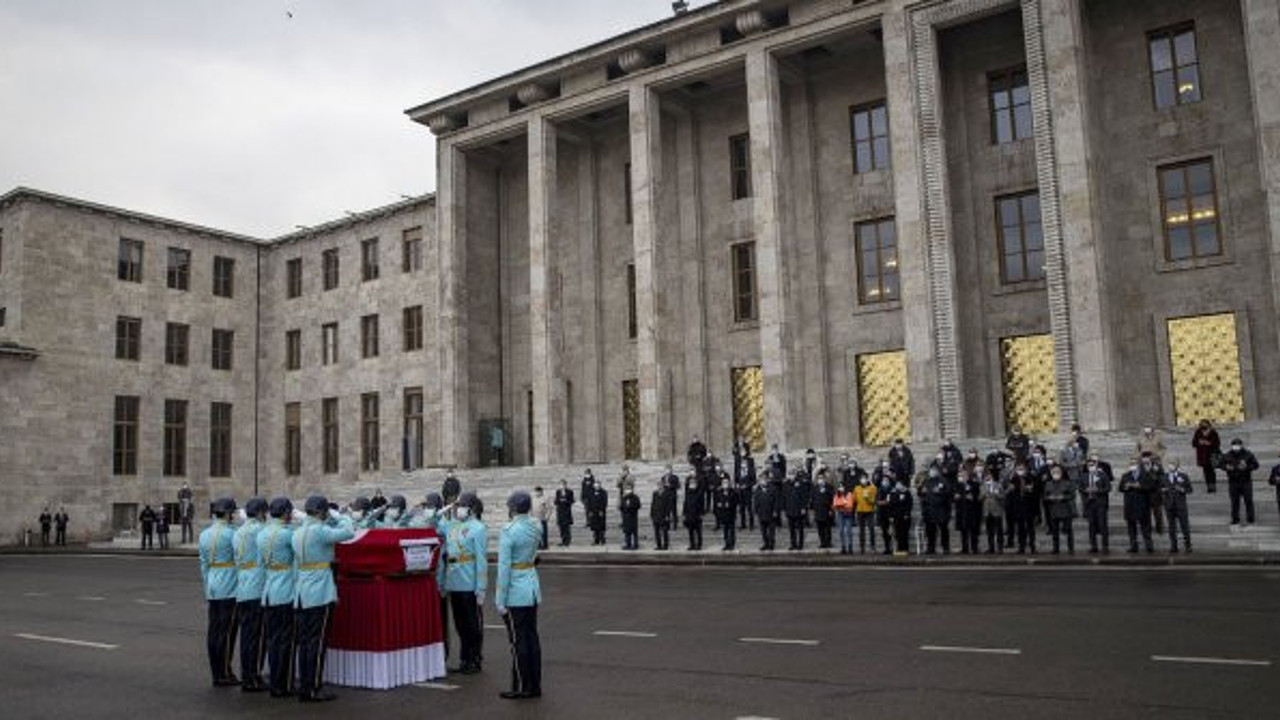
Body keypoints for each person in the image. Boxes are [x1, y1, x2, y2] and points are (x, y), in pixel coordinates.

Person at [293, 495, 355, 702]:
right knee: (317, 643)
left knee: (305, 642)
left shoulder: (298, 532)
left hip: (302, 591)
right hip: (319, 591)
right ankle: (314, 688)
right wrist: (339, 515)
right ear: (322, 511)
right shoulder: (319, 530)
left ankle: (305, 686)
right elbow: (349, 531)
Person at [495, 491, 542, 700]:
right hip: (532, 588)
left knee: (518, 641)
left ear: (513, 508)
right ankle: (535, 684)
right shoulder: (536, 526)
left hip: (516, 591)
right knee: (532, 638)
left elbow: (504, 567)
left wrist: (500, 599)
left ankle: (523, 686)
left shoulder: (509, 531)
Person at [439, 493, 487, 676]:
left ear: (471, 508)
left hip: (469, 581)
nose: (459, 509)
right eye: (458, 505)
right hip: (454, 581)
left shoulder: (478, 528)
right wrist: (445, 509)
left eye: (463, 505)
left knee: (472, 624)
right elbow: (431, 522)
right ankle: (464, 659)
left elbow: (481, 560)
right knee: (459, 624)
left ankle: (475, 658)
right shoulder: (451, 525)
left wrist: (481, 587)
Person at [257, 497, 298, 699]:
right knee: (286, 640)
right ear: (285, 513)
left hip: (269, 589)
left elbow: (260, 565)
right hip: (285, 590)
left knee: (273, 640)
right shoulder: (288, 533)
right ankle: (284, 684)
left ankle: (275, 682)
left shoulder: (262, 533)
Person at [199, 497, 240, 687]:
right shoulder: (232, 533)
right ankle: (224, 672)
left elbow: (204, 564)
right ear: (228, 513)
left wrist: (208, 585)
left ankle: (216, 671)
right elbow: (240, 559)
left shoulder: (204, 534)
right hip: (229, 585)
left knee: (214, 631)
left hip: (213, 585)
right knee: (227, 632)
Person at [234, 497, 269, 692]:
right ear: (261, 513)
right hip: (257, 585)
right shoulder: (261, 529)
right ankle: (254, 676)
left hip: (243, 585)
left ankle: (246, 674)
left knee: (247, 636)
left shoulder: (238, 532)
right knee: (258, 636)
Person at [1120, 462, 1157, 553]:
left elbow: (1151, 486)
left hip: (1143, 504)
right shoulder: (1125, 475)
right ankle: (1133, 546)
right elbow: (1120, 488)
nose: (1132, 466)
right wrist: (1126, 487)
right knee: (1131, 527)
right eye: (1131, 464)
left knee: (1145, 527)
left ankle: (1149, 545)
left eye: (1134, 464)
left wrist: (1140, 486)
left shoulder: (1145, 475)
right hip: (1130, 504)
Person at [1222, 438, 1259, 526]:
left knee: (1248, 500)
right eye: (1234, 445)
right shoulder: (1227, 455)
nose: (1236, 447)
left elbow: (1256, 465)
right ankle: (1235, 518)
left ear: (1241, 445)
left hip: (1246, 481)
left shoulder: (1248, 454)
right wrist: (1226, 467)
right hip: (1233, 481)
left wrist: (1247, 467)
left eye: (1238, 445)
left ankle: (1250, 518)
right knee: (1234, 501)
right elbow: (1220, 464)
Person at [1079, 455, 1113, 553]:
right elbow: (1080, 487)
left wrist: (1097, 490)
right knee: (1091, 525)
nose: (1091, 467)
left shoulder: (1103, 475)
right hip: (1089, 503)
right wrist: (1085, 490)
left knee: (1102, 524)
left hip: (1100, 503)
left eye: (1092, 465)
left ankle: (1105, 546)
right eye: (1089, 465)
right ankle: (1093, 546)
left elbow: (1108, 488)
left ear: (1096, 465)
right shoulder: (1084, 476)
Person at [917, 467, 953, 554]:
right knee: (930, 531)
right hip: (929, 510)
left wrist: (939, 492)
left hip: (941, 510)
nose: (932, 472)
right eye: (931, 471)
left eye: (934, 471)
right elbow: (920, 493)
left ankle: (945, 547)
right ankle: (931, 547)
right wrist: (920, 490)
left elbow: (948, 492)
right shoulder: (926, 481)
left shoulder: (943, 481)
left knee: (943, 530)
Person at [1043, 464, 1077, 554]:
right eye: (1054, 472)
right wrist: (1049, 498)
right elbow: (1045, 496)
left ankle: (1071, 548)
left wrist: (1063, 497)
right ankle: (1056, 548)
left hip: (1065, 509)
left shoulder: (1068, 483)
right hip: (1054, 509)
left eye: (1058, 472)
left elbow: (1072, 495)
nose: (1056, 474)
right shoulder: (1048, 484)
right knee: (1055, 531)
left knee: (1068, 530)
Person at [1162, 461, 1193, 553]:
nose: (1170, 466)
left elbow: (1190, 489)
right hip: (1169, 505)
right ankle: (1173, 546)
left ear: (1177, 466)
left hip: (1180, 505)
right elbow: (1159, 488)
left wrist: (1182, 489)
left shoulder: (1183, 476)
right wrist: (1163, 490)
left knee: (1184, 526)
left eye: (1173, 464)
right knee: (1171, 527)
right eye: (1169, 464)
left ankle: (1188, 545)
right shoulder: (1164, 477)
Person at [1008, 464, 1037, 554]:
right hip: (1018, 506)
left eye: (1022, 469)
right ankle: (1021, 546)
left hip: (1029, 506)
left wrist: (1031, 490)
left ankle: (1032, 546)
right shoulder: (1014, 479)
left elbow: (1036, 492)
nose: (1020, 471)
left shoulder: (1030, 478)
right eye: (1018, 469)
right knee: (1020, 528)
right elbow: (1010, 494)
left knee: (1030, 527)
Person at [954, 467, 982, 555]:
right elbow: (954, 495)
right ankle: (965, 548)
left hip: (972, 511)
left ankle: (974, 548)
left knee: (973, 531)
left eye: (963, 475)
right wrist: (955, 497)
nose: (962, 477)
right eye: (960, 475)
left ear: (967, 475)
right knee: (963, 531)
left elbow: (978, 496)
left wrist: (972, 497)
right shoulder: (958, 485)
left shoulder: (974, 484)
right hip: (962, 511)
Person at [784, 468, 812, 551]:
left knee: (800, 528)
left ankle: (800, 544)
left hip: (799, 509)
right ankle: (793, 544)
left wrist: (803, 507)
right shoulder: (786, 484)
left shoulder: (801, 483)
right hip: (790, 509)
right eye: (789, 474)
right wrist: (785, 508)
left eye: (792, 474)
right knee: (791, 529)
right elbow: (784, 497)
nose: (791, 476)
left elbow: (804, 496)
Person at [979, 465, 1005, 554]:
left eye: (988, 475)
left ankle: (1000, 547)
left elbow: (1003, 496)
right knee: (990, 531)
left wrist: (997, 494)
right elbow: (979, 498)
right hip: (987, 511)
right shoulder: (982, 486)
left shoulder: (998, 485)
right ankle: (991, 547)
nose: (987, 477)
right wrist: (983, 495)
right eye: (985, 476)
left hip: (997, 510)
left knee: (999, 530)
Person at [1192, 419, 1222, 493]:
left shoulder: (1213, 432)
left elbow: (1217, 443)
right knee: (1205, 471)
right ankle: (1208, 486)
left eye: (1205, 424)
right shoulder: (1198, 432)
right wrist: (1200, 443)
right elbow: (1194, 443)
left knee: (1211, 471)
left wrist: (1209, 443)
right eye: (1202, 424)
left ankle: (1213, 486)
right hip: (1202, 456)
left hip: (1211, 455)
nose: (1203, 426)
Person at [753, 471, 780, 551]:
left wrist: (775, 510)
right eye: (761, 479)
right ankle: (766, 543)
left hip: (770, 512)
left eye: (764, 479)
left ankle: (771, 544)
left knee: (771, 530)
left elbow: (776, 500)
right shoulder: (757, 489)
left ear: (767, 480)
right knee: (763, 530)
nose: (762, 481)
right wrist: (756, 510)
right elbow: (756, 500)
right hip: (761, 512)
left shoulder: (773, 488)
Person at [886, 479, 913, 556]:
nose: (898, 486)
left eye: (900, 484)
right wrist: (890, 516)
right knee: (897, 533)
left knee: (904, 533)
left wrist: (907, 514)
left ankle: (905, 548)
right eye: (897, 484)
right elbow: (890, 505)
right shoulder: (892, 493)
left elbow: (909, 504)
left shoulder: (907, 493)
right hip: (896, 516)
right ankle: (899, 548)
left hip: (904, 516)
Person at [853, 472, 877, 554]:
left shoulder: (872, 488)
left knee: (871, 528)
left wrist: (868, 499)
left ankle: (872, 546)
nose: (863, 480)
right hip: (860, 511)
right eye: (862, 479)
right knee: (861, 530)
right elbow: (854, 500)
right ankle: (862, 547)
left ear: (867, 479)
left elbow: (874, 501)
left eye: (864, 478)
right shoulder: (856, 488)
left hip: (870, 511)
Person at [811, 470, 835, 550]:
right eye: (819, 478)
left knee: (827, 528)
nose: (820, 480)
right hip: (818, 510)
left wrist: (831, 509)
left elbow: (832, 498)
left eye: (822, 478)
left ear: (825, 479)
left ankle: (828, 542)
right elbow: (813, 498)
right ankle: (822, 542)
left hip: (827, 510)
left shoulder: (829, 487)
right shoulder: (815, 488)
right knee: (820, 528)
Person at [713, 474, 738, 551]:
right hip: (723, 514)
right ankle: (726, 543)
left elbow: (735, 502)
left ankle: (732, 544)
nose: (725, 484)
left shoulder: (733, 492)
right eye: (724, 482)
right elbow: (717, 503)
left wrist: (729, 504)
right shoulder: (719, 492)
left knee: (731, 530)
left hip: (731, 514)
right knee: (725, 530)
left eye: (726, 482)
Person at [734, 447, 757, 530]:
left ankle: (751, 524)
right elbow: (736, 475)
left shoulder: (750, 463)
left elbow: (754, 480)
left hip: (748, 489)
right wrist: (737, 484)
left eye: (744, 451)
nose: (742, 452)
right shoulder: (737, 462)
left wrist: (747, 485)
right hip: (740, 489)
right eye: (741, 451)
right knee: (741, 508)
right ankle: (743, 524)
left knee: (749, 508)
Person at [682, 472, 705, 551]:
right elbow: (685, 504)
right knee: (690, 531)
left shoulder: (699, 494)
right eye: (691, 484)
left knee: (698, 531)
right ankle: (692, 544)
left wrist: (701, 513)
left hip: (696, 515)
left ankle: (699, 544)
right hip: (689, 515)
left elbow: (701, 504)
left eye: (693, 483)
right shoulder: (688, 494)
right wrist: (684, 513)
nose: (692, 485)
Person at [832, 481, 856, 555]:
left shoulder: (849, 494)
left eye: (842, 486)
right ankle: (843, 547)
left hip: (848, 514)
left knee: (849, 531)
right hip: (840, 514)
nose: (841, 488)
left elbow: (850, 504)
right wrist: (842, 505)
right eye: (839, 487)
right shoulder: (837, 495)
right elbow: (835, 505)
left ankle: (850, 546)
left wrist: (842, 505)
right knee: (841, 531)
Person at [650, 478, 672, 551]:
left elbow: (669, 505)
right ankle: (658, 545)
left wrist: (667, 515)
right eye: (658, 485)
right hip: (656, 515)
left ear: (663, 485)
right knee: (657, 531)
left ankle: (665, 545)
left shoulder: (667, 493)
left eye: (661, 484)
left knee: (664, 531)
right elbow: (653, 504)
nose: (659, 486)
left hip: (664, 515)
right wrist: (652, 513)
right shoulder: (655, 493)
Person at [585, 480, 608, 546]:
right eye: (596, 486)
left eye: (598, 485)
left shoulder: (603, 492)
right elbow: (589, 503)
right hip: (593, 511)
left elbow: (605, 502)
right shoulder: (591, 492)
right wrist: (589, 511)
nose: (597, 487)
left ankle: (602, 539)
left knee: (601, 526)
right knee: (594, 527)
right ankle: (596, 540)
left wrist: (602, 510)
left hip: (600, 511)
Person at [553, 480, 574, 547]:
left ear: (565, 485)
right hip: (560, 511)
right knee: (561, 527)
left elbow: (572, 501)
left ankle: (567, 540)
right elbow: (555, 501)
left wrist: (566, 501)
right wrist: (559, 500)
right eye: (561, 484)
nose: (562, 486)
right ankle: (563, 540)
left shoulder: (570, 492)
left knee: (566, 527)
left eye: (563, 484)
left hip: (566, 511)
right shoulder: (558, 492)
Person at [619, 486, 641, 551]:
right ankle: (628, 544)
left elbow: (638, 506)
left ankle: (635, 544)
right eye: (626, 489)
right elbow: (621, 506)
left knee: (634, 532)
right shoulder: (624, 498)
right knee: (627, 532)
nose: (627, 491)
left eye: (629, 489)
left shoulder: (635, 497)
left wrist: (631, 507)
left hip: (633, 516)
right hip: (626, 517)